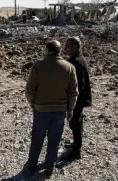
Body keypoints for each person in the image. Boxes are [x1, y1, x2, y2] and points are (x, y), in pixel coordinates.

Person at [22, 40, 79, 178]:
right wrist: (70, 109)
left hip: (41, 110)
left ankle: (31, 165)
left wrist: (32, 104)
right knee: (55, 140)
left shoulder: (38, 66)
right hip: (60, 111)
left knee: (37, 138)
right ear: (60, 50)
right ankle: (49, 167)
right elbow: (73, 92)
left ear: (47, 50)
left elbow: (30, 90)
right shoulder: (69, 67)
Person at [63, 37, 92, 161]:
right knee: (76, 122)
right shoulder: (77, 59)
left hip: (78, 99)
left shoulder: (77, 62)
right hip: (78, 98)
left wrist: (73, 99)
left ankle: (77, 150)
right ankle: (76, 144)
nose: (66, 48)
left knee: (75, 122)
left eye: (68, 46)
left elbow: (79, 84)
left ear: (76, 47)